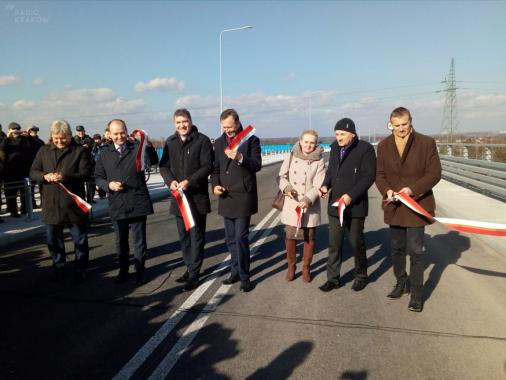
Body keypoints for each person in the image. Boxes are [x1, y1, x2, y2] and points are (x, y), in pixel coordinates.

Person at [375, 107, 442, 312]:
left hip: (416, 205)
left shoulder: (426, 143)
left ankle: (416, 293)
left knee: (415, 252)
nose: (401, 129)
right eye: (397, 125)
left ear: (410, 122)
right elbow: (380, 175)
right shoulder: (384, 145)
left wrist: (412, 190)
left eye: (404, 124)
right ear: (391, 124)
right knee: (396, 249)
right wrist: (386, 191)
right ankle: (400, 282)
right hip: (394, 206)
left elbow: (434, 174)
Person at [94, 119, 159, 285]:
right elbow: (98, 177)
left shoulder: (137, 148)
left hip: (137, 200)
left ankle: (140, 271)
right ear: (109, 134)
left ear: (127, 131)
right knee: (120, 241)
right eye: (115, 133)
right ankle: (123, 270)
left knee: (139, 241)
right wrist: (108, 185)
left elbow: (153, 161)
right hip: (117, 202)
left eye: (122, 132)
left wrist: (148, 144)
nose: (119, 136)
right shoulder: (104, 153)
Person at [319, 118, 376, 292]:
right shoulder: (335, 148)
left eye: (342, 134)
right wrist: (325, 185)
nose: (339, 137)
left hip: (355, 205)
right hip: (335, 205)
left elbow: (368, 177)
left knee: (356, 242)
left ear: (352, 134)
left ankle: (361, 276)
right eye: (337, 134)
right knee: (334, 244)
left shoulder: (365, 149)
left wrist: (350, 196)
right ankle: (333, 278)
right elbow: (331, 171)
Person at [30, 120, 90, 283]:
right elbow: (33, 172)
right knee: (53, 240)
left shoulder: (79, 151)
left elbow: (86, 174)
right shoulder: (43, 150)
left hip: (73, 205)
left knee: (80, 239)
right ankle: (59, 266)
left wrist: (66, 177)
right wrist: (44, 176)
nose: (59, 141)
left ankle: (81, 268)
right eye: (56, 138)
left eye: (63, 138)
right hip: (51, 203)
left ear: (70, 135)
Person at [159, 109, 213, 291]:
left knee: (196, 237)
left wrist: (189, 182)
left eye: (185, 121)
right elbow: (164, 166)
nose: (182, 125)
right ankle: (189, 267)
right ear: (174, 124)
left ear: (191, 121)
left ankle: (194, 273)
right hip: (178, 199)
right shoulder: (170, 142)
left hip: (196, 198)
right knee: (183, 238)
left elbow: (207, 167)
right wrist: (170, 181)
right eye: (178, 122)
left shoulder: (202, 141)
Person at [211, 109, 262, 292]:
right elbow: (215, 169)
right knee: (230, 238)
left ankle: (245, 275)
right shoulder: (218, 143)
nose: (228, 131)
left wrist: (240, 157)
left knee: (241, 237)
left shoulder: (251, 140)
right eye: (224, 128)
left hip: (243, 196)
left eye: (231, 127)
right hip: (225, 196)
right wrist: (215, 185)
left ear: (238, 123)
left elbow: (257, 165)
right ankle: (234, 271)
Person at [278, 129, 325, 282]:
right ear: (300, 141)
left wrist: (307, 199)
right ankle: (291, 266)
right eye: (306, 141)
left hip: (309, 204)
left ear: (316, 144)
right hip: (293, 203)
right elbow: (282, 176)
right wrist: (287, 188)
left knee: (309, 238)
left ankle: (306, 267)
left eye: (312, 142)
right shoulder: (291, 155)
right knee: (290, 237)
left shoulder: (319, 160)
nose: (308, 145)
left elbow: (318, 184)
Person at [0, 122, 34, 217]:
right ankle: (13, 211)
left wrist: (28, 136)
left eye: (17, 129)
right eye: (13, 129)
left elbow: (32, 147)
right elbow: (1, 149)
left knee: (25, 191)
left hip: (23, 170)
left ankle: (25, 210)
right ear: (9, 130)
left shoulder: (24, 139)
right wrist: (7, 137)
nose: (15, 131)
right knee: (11, 193)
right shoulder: (5, 140)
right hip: (10, 171)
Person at [27, 126, 45, 208]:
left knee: (42, 187)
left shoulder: (40, 142)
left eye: (35, 130)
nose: (33, 131)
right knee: (30, 187)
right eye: (32, 130)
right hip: (29, 167)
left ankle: (43, 203)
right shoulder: (26, 141)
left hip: (40, 167)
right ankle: (32, 204)